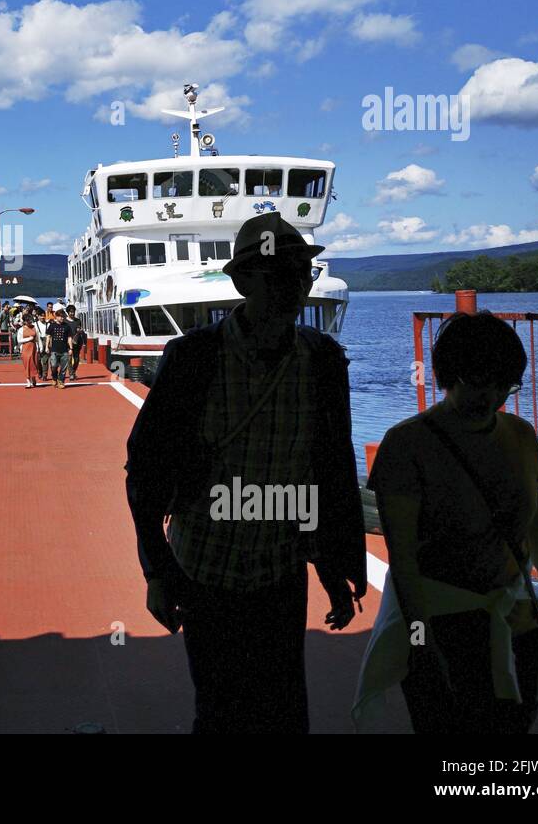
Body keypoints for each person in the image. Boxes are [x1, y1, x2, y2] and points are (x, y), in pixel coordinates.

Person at [124, 212, 366, 734]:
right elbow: (145, 466)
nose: (295, 285)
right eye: (278, 273)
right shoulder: (193, 358)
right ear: (242, 281)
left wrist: (334, 565)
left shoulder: (324, 359)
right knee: (219, 707)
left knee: (285, 707)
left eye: (303, 272)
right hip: (205, 566)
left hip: (282, 566)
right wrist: (157, 572)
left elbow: (328, 466)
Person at [354, 310, 538, 734]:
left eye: (504, 385)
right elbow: (402, 557)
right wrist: (420, 640)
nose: (492, 396)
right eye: (478, 382)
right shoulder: (406, 445)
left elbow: (535, 525)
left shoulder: (521, 434)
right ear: (448, 374)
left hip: (515, 616)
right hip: (443, 624)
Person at [47, 307, 74, 389]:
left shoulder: (67, 326)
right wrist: (46, 347)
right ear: (56, 317)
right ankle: (54, 378)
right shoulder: (52, 326)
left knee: (63, 367)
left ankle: (61, 381)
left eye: (63, 317)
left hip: (64, 350)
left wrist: (71, 348)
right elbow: (48, 336)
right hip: (54, 350)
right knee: (54, 365)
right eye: (60, 316)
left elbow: (69, 338)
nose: (62, 318)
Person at [18, 311, 40, 388]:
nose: (30, 322)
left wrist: (39, 347)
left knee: (34, 363)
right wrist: (29, 339)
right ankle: (28, 380)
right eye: (28, 321)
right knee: (27, 364)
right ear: (24, 321)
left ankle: (33, 377)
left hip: (33, 348)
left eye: (30, 320)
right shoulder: (21, 329)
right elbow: (19, 340)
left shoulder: (34, 328)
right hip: (25, 349)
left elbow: (37, 338)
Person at [67, 305, 85, 380]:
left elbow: (80, 330)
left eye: (73, 312)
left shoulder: (78, 321)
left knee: (77, 359)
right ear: (68, 312)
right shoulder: (65, 321)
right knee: (69, 358)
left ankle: (73, 371)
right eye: (70, 312)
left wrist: (80, 331)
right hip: (67, 342)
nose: (72, 313)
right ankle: (71, 373)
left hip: (77, 342)